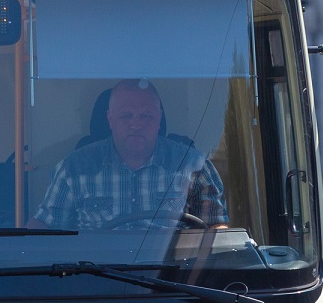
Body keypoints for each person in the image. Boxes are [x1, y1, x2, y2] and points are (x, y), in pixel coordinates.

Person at [29, 79, 227, 230]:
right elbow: (43, 230)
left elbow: (215, 236)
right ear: (110, 119)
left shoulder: (195, 167)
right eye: (126, 116)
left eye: (146, 116)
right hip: (95, 278)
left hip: (170, 280)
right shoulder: (73, 169)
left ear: (159, 119)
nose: (136, 124)